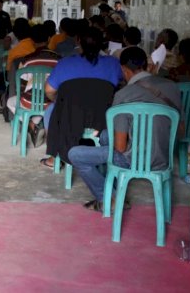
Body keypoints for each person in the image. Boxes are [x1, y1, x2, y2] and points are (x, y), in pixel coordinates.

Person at [67, 46, 181, 211]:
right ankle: (111, 189)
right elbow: (181, 129)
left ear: (124, 69)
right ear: (147, 65)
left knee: (76, 154)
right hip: (164, 157)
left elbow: (120, 147)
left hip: (133, 160)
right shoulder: (172, 87)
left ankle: (109, 198)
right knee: (106, 136)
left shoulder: (124, 95)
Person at [39, 26, 123, 167]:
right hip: (101, 119)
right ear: (103, 43)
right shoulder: (113, 63)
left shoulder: (65, 63)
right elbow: (120, 85)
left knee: (51, 110)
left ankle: (55, 159)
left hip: (70, 119)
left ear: (78, 41)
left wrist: (60, 102)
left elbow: (49, 90)